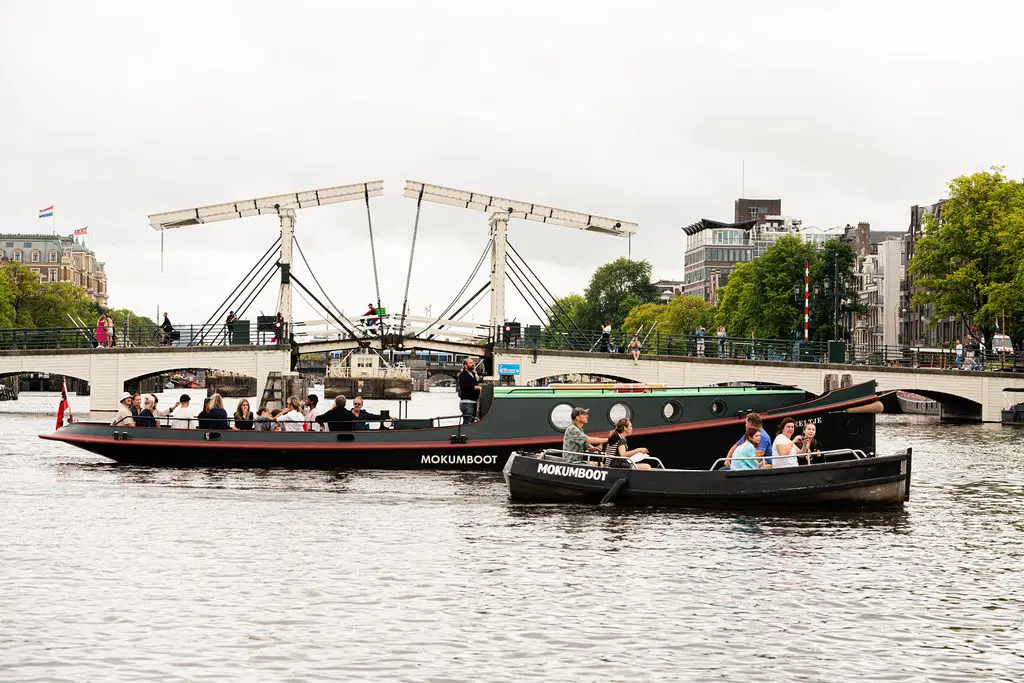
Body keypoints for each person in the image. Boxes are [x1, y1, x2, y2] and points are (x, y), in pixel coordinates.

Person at [458, 357, 481, 424]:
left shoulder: (473, 374)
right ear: (465, 365)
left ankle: (467, 434)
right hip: (467, 403)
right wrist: (478, 388)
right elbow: (466, 386)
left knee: (471, 423)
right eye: (470, 363)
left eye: (473, 362)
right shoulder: (462, 375)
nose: (473, 364)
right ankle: (463, 433)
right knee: (467, 422)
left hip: (473, 402)